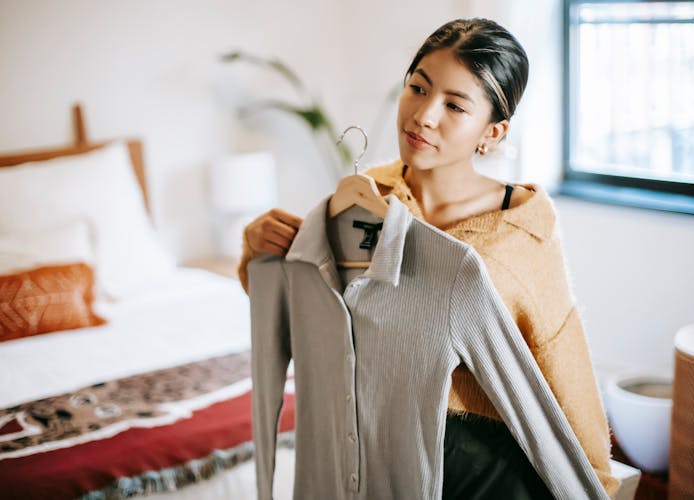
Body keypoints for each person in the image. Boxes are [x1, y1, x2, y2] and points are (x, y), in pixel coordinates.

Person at [238, 18, 619, 499]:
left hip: (471, 469)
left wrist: (595, 486)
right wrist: (258, 253)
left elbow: (564, 373)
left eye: (455, 105)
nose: (423, 115)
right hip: (362, 455)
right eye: (417, 88)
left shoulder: (520, 238)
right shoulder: (369, 196)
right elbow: (318, 305)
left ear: (493, 132)